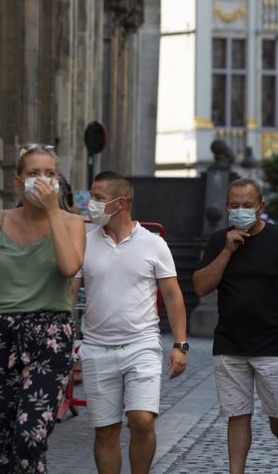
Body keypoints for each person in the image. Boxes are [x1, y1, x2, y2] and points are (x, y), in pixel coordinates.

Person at [0, 143, 86, 474]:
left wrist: (53, 211)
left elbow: (70, 268)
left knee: (30, 437)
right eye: (34, 173)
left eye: (50, 174)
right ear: (17, 181)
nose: (42, 180)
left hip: (50, 337)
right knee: (6, 444)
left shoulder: (72, 223)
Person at [72, 171, 188, 474]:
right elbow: (68, 296)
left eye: (98, 198)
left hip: (142, 345)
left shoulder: (154, 244)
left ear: (120, 202)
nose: (91, 204)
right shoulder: (84, 243)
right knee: (106, 431)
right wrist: (65, 342)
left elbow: (173, 296)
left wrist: (180, 345)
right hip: (96, 348)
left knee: (142, 419)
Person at [192, 178, 278, 474]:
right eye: (235, 206)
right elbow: (201, 287)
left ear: (260, 207)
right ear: (227, 207)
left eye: (247, 206)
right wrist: (227, 251)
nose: (240, 211)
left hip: (273, 343)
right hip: (230, 342)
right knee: (237, 415)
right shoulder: (218, 240)